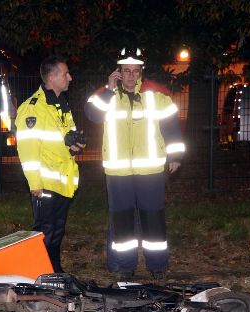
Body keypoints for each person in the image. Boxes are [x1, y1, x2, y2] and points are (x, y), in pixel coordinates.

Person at [85, 47, 185, 282]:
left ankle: (157, 265)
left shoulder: (157, 95)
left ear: (141, 71)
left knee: (154, 220)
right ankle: (125, 266)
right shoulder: (105, 96)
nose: (131, 76)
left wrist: (176, 156)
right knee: (122, 222)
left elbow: (171, 128)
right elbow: (92, 115)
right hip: (118, 172)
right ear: (118, 72)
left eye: (135, 71)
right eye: (126, 71)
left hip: (150, 170)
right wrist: (109, 90)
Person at [15, 55, 85, 273]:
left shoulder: (60, 105)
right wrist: (35, 184)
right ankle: (39, 274)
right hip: (44, 184)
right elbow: (28, 150)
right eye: (65, 73)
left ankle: (53, 271)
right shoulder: (33, 108)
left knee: (56, 231)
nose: (70, 78)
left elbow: (66, 139)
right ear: (53, 77)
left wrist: (76, 145)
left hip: (61, 181)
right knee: (44, 232)